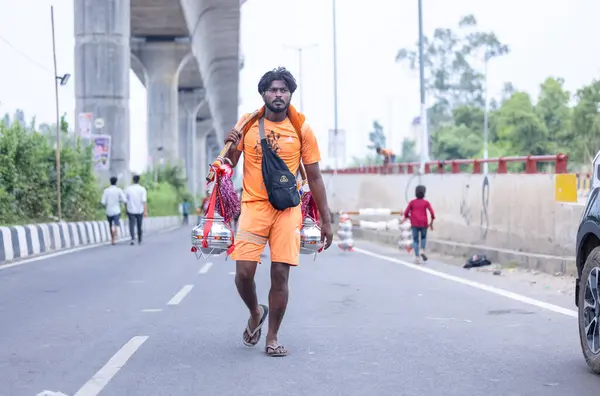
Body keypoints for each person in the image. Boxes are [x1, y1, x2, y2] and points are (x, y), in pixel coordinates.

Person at [223, 67, 333, 357]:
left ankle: (272, 337)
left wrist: (326, 219)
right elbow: (229, 164)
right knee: (244, 273)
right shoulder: (248, 123)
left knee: (280, 274)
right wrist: (231, 143)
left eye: (283, 90)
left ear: (290, 95)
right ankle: (255, 311)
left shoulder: (301, 129)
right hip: (253, 207)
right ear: (263, 94)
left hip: (287, 210)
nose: (278, 94)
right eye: (273, 90)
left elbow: (315, 176)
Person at [402, 185, 435, 264]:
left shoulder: (412, 202)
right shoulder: (426, 202)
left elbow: (406, 212)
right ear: (424, 193)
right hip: (424, 223)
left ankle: (417, 258)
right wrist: (432, 220)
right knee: (423, 238)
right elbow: (432, 212)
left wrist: (408, 217)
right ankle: (422, 250)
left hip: (414, 223)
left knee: (415, 240)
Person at [101, 176, 127, 245]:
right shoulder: (119, 190)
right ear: (116, 182)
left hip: (108, 210)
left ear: (110, 182)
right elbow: (124, 200)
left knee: (110, 225)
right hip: (116, 210)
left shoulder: (106, 191)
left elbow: (103, 202)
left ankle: (112, 237)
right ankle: (114, 239)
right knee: (115, 224)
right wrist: (119, 201)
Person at [124, 174, 148, 245]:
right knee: (139, 225)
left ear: (133, 180)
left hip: (131, 209)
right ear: (139, 180)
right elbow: (144, 201)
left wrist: (126, 209)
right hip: (139, 210)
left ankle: (132, 238)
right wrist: (145, 211)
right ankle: (140, 239)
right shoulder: (142, 189)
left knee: (131, 224)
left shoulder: (128, 189)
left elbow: (126, 200)